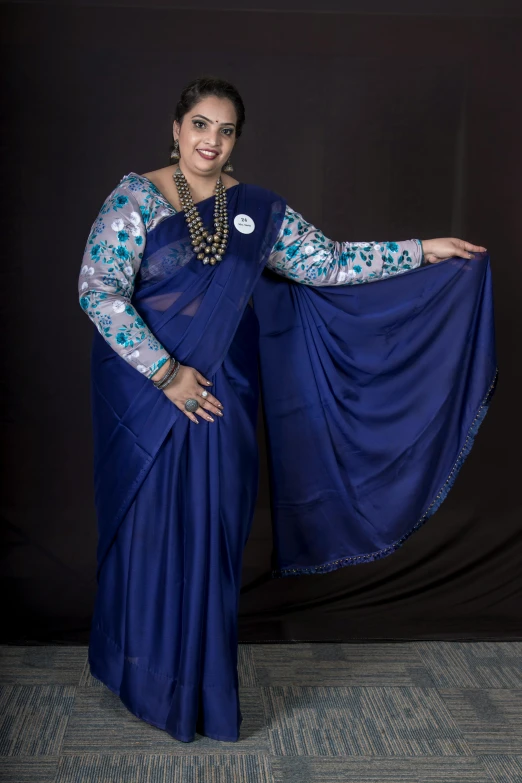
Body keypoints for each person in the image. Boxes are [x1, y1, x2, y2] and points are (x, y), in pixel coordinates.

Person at [78, 75, 496, 743]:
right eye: (200, 125)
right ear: (177, 126)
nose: (211, 140)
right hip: (152, 400)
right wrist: (166, 374)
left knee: (213, 540)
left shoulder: (257, 213)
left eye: (225, 129)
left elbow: (327, 263)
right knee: (152, 536)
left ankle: (201, 694)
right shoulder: (135, 199)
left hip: (224, 402)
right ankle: (144, 678)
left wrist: (425, 250)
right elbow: (98, 291)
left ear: (236, 138)